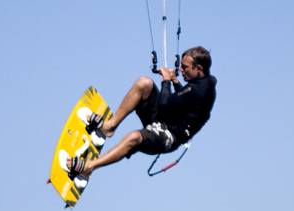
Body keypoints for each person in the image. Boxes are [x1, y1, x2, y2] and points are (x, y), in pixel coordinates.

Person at [67, 46, 216, 183]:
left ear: (198, 68)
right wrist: (176, 81)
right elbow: (184, 99)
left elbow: (165, 104)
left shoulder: (201, 90)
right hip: (165, 119)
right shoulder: (202, 82)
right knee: (144, 83)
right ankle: (110, 127)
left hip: (169, 137)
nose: (181, 70)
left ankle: (90, 167)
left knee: (134, 137)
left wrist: (166, 81)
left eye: (185, 67)